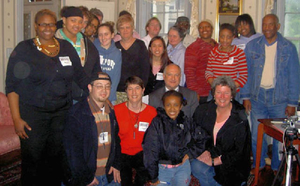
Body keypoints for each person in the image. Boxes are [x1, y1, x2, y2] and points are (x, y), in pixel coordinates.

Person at [5, 9, 90, 186]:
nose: (47, 28)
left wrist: (98, 93)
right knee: (33, 160)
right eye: (43, 24)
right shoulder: (24, 49)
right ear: (36, 26)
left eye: (51, 24)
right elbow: (12, 87)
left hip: (61, 114)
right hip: (33, 116)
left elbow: (80, 76)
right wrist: (16, 118)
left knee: (56, 158)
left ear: (56, 25)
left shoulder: (65, 47)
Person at [241, 14, 300, 171]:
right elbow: (246, 73)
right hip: (257, 97)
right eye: (264, 25)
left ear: (277, 26)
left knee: (279, 137)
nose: (267, 28)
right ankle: (258, 165)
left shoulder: (289, 48)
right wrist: (245, 97)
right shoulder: (252, 46)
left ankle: (276, 168)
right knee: (256, 135)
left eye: (270, 24)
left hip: (280, 99)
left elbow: (295, 77)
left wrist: (292, 103)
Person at [63, 72, 121, 186]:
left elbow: (116, 140)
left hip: (109, 174)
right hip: (88, 178)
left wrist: (116, 164)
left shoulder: (110, 111)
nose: (104, 90)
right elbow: (72, 151)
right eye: (99, 86)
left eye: (107, 86)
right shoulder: (77, 114)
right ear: (90, 88)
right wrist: (87, 178)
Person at [192, 76, 251, 186]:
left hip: (231, 163)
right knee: (197, 166)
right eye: (219, 92)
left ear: (232, 95)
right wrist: (202, 151)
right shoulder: (203, 111)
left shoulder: (240, 118)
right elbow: (193, 134)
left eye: (226, 93)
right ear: (214, 94)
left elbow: (240, 152)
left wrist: (215, 161)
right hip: (209, 154)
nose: (222, 97)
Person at [143, 90, 206, 186]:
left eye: (176, 105)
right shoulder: (157, 123)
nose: (172, 109)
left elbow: (202, 137)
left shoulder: (186, 121)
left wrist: (190, 153)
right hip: (163, 169)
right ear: (164, 106)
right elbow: (150, 151)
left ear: (181, 106)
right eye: (168, 105)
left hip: (182, 168)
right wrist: (153, 176)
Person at [114, 76, 157, 186]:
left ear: (143, 91)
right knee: (124, 182)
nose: (134, 92)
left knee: (143, 178)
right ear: (126, 91)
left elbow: (154, 139)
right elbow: (112, 138)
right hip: (122, 153)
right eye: (130, 89)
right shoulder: (116, 110)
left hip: (142, 153)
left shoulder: (152, 112)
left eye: (137, 88)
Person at [55, 6, 101, 102]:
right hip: (60, 97)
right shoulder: (54, 42)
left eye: (80, 22)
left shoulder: (86, 43)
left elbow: (96, 69)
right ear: (64, 20)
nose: (77, 24)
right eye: (73, 20)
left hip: (84, 95)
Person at [205, 23, 248, 102]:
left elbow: (243, 76)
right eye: (222, 37)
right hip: (215, 93)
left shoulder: (239, 53)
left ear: (233, 37)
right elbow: (208, 72)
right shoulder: (213, 52)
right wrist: (216, 87)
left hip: (232, 94)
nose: (225, 40)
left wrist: (228, 89)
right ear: (219, 37)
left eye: (228, 37)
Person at [115, 14, 150, 104]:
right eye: (122, 28)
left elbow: (145, 70)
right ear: (118, 30)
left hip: (135, 91)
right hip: (118, 91)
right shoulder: (114, 46)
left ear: (132, 28)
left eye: (128, 27)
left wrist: (141, 88)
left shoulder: (140, 45)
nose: (125, 30)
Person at [185, 19, 218, 104]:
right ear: (198, 31)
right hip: (201, 93)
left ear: (212, 29)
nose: (204, 29)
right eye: (201, 27)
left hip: (218, 92)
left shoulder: (219, 47)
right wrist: (194, 92)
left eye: (207, 27)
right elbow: (189, 73)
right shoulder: (193, 48)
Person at [94, 23, 122, 105]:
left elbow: (116, 77)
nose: (103, 38)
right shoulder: (93, 51)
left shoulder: (117, 53)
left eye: (106, 34)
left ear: (112, 35)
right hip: (95, 96)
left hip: (110, 96)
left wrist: (108, 97)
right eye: (100, 35)